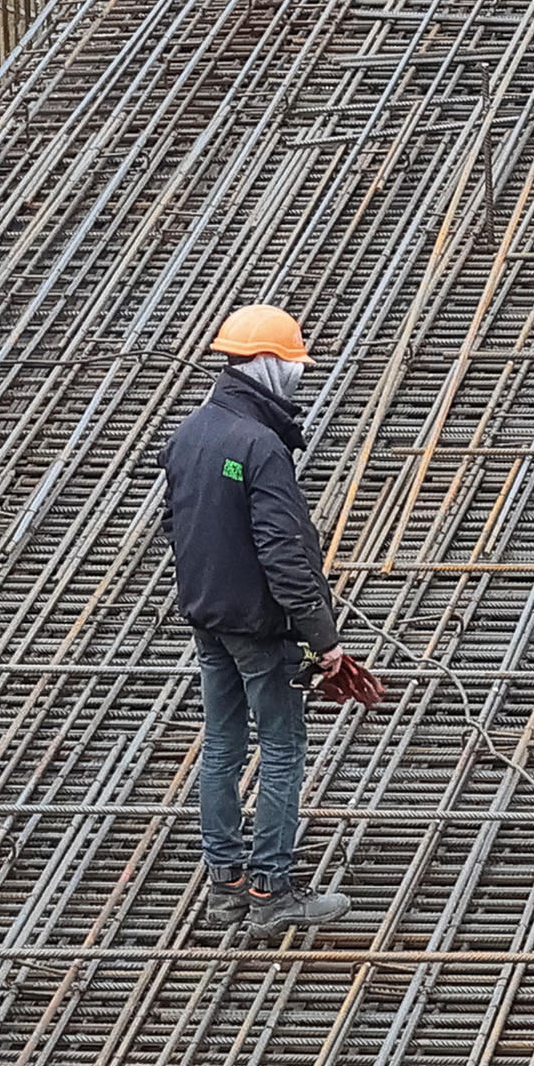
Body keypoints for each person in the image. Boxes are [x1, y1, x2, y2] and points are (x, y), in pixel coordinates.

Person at [160, 303, 369, 938]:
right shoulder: (260, 445)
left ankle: (224, 887)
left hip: (208, 618)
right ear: (270, 365)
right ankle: (272, 891)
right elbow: (284, 548)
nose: (300, 377)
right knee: (282, 747)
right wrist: (323, 640)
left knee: (222, 743)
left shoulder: (191, 432)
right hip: (256, 625)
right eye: (295, 364)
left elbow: (179, 528)